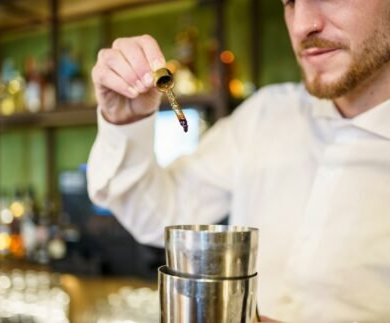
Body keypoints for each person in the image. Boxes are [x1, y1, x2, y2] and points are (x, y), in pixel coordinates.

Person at [87, 0, 390, 321]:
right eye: (289, 2)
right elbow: (158, 215)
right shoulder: (264, 115)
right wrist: (125, 120)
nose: (302, 25)